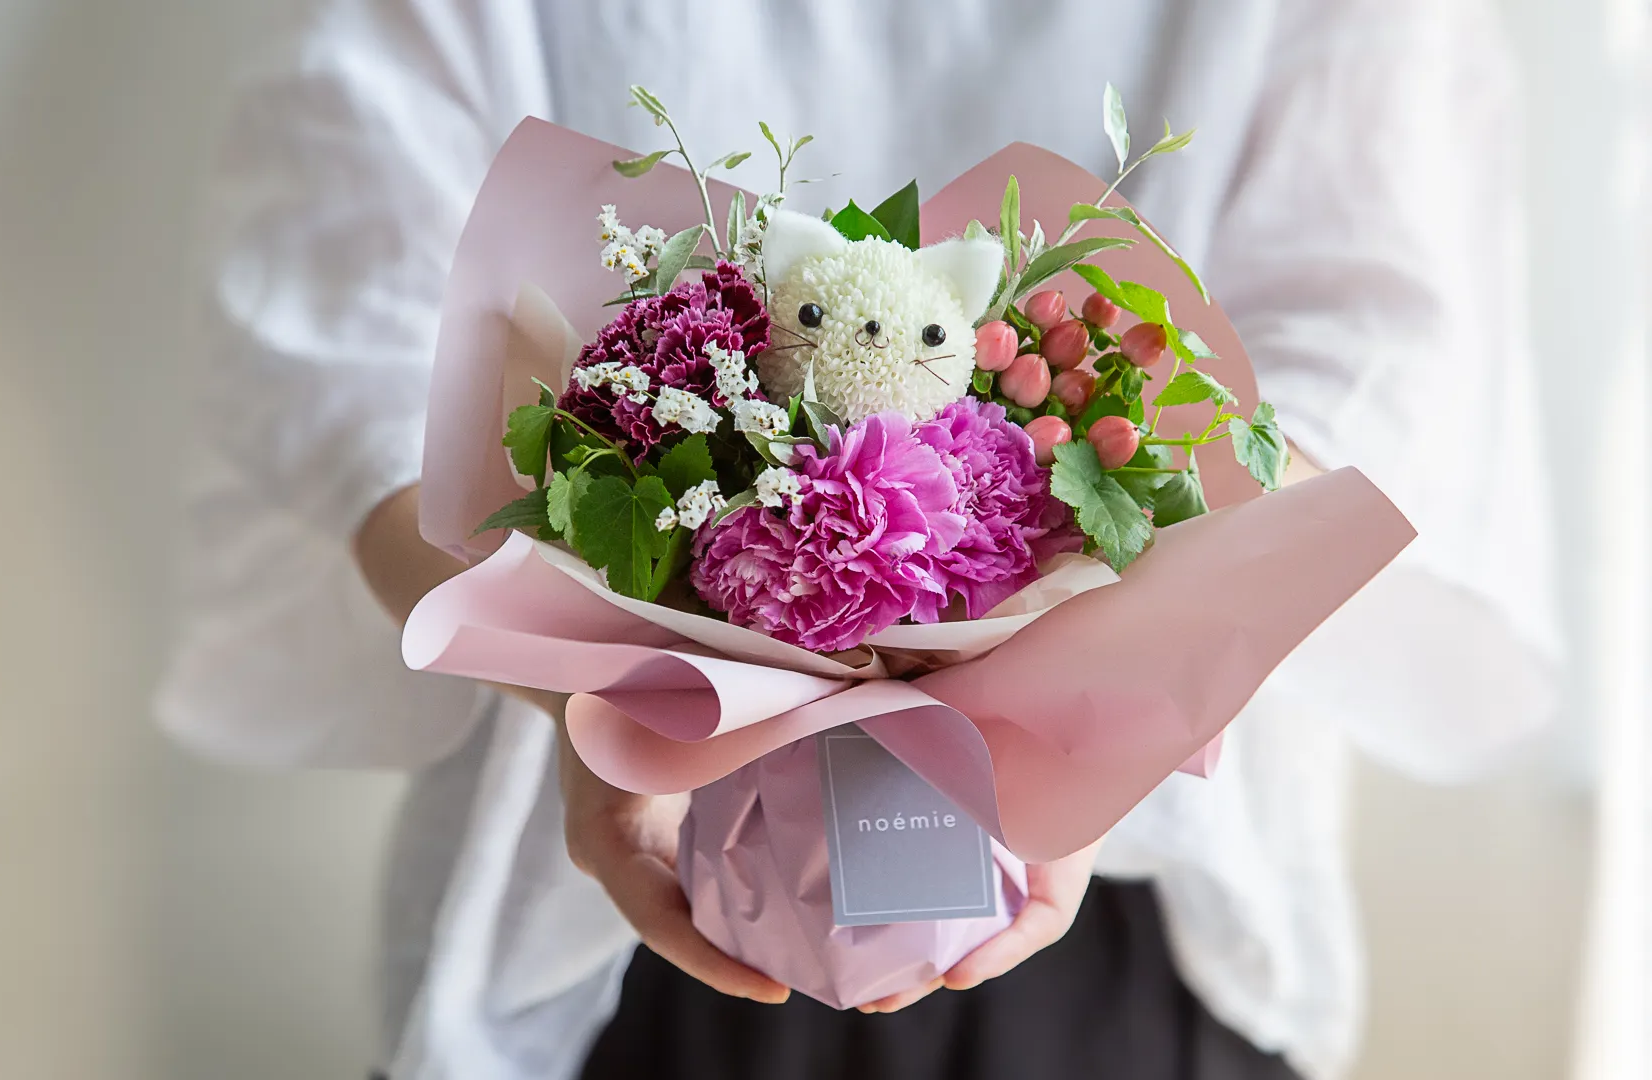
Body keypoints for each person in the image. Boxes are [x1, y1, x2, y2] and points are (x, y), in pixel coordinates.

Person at [157, 1, 1558, 1077]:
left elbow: (1378, 358)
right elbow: (344, 354)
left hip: (1116, 904)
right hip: (613, 893)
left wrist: (1060, 739)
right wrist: (630, 707)